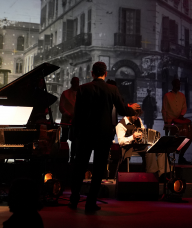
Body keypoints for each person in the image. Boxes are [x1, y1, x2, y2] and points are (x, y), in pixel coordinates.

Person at [69, 62, 135, 213]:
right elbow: (123, 110)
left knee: (80, 166)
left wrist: (76, 132)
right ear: (105, 74)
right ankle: (90, 203)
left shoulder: (83, 88)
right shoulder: (112, 89)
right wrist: (133, 109)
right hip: (104, 134)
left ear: (92, 73)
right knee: (99, 169)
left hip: (85, 133)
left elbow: (77, 114)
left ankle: (74, 199)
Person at [116, 103, 167, 177]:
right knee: (150, 150)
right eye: (135, 115)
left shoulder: (138, 120)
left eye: (138, 115)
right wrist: (132, 137)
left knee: (161, 148)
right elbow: (121, 142)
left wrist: (149, 137)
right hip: (129, 148)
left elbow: (144, 132)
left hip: (141, 146)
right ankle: (151, 174)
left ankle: (163, 174)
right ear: (129, 114)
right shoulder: (121, 124)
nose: (137, 117)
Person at [162, 78, 189, 163]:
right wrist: (166, 121)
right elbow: (164, 109)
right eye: (177, 84)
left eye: (179, 84)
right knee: (170, 140)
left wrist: (181, 116)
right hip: (170, 121)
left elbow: (184, 107)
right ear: (173, 84)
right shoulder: (167, 96)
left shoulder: (182, 95)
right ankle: (167, 158)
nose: (178, 85)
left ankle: (181, 156)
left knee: (183, 139)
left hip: (180, 121)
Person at [59, 77, 79, 162]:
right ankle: (66, 155)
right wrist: (68, 114)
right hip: (68, 120)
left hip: (74, 120)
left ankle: (70, 156)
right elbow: (61, 107)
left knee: (73, 139)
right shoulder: (66, 93)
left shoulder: (67, 93)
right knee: (66, 138)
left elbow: (61, 107)